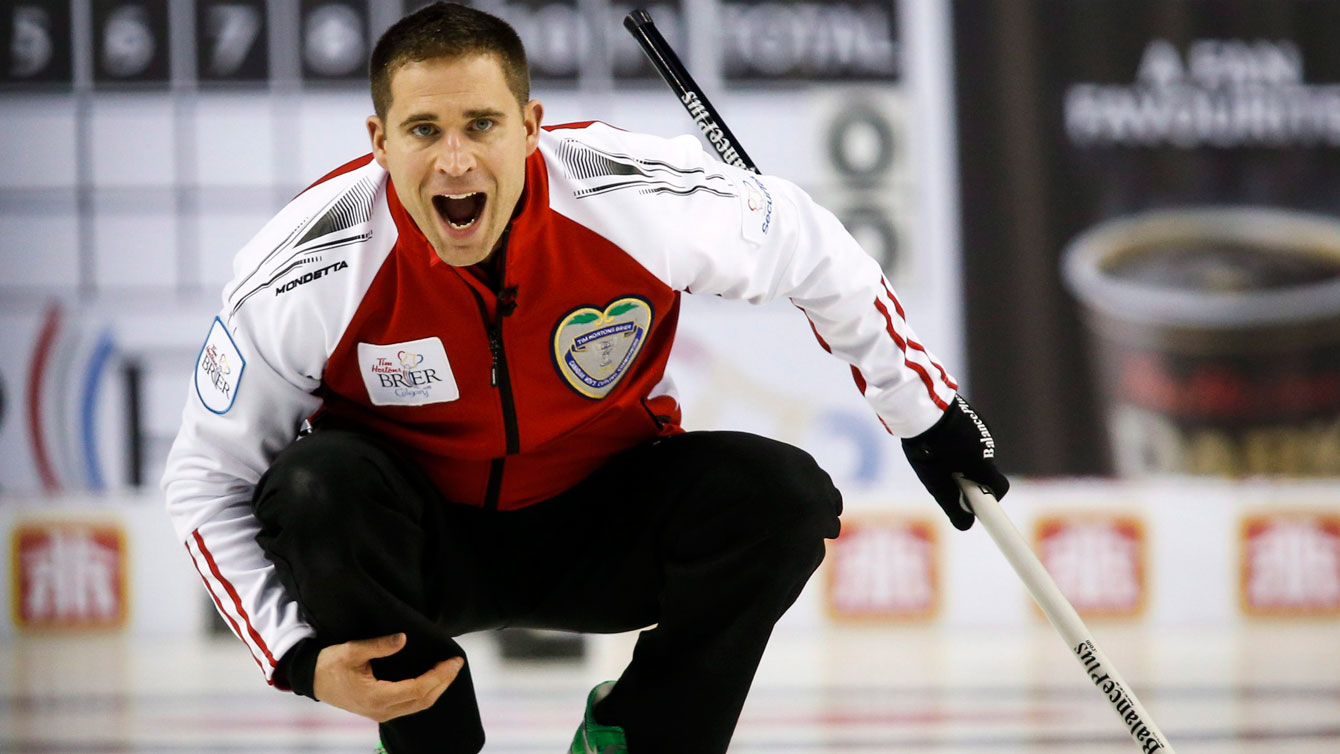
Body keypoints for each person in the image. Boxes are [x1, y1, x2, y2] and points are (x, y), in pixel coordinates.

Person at [162, 3, 1009, 753]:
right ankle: (430, 739)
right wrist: (295, 657)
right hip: (419, 556)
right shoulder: (305, 267)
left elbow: (813, 248)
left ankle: (637, 739)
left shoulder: (632, 197)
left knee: (783, 498)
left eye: (482, 125)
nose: (455, 161)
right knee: (316, 485)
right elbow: (207, 479)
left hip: (598, 525)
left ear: (532, 126)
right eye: (423, 130)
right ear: (378, 140)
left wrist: (924, 413)